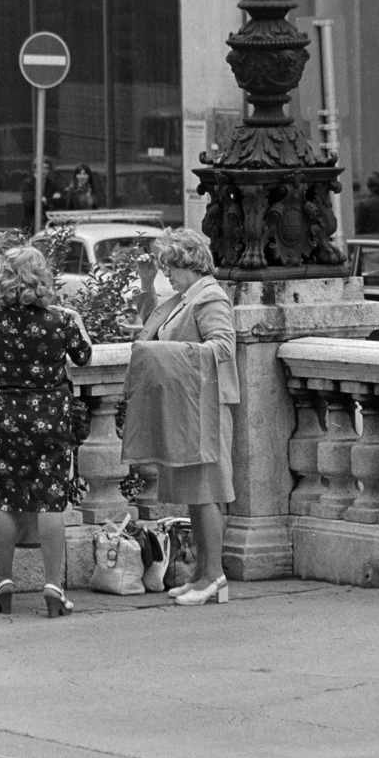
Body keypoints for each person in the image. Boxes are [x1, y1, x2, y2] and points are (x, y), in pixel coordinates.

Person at [0, 245, 93, 618]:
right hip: (50, 417)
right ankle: (53, 587)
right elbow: (84, 356)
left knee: (6, 498)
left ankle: (5, 583)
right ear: (42, 279)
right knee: (50, 499)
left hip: (5, 416)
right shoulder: (59, 321)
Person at [121, 229, 238, 608]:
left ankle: (214, 576)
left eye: (170, 266)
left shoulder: (210, 296)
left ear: (190, 262)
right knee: (194, 493)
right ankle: (204, 575)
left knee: (207, 494)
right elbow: (155, 323)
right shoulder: (187, 296)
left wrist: (169, 354)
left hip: (205, 408)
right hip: (189, 407)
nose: (166, 273)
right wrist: (144, 282)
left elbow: (222, 347)